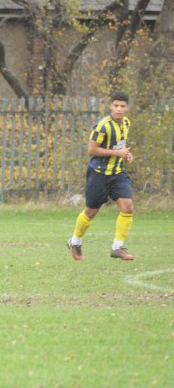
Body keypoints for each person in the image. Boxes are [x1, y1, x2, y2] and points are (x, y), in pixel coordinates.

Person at [67, 90, 135, 261]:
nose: (119, 109)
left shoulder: (126, 123)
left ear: (127, 108)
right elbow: (92, 150)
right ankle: (75, 241)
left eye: (122, 106)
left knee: (128, 207)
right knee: (90, 212)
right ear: (110, 106)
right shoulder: (103, 125)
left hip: (118, 173)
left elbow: (120, 145)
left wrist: (125, 154)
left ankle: (117, 247)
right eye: (116, 105)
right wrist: (117, 152)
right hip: (99, 174)